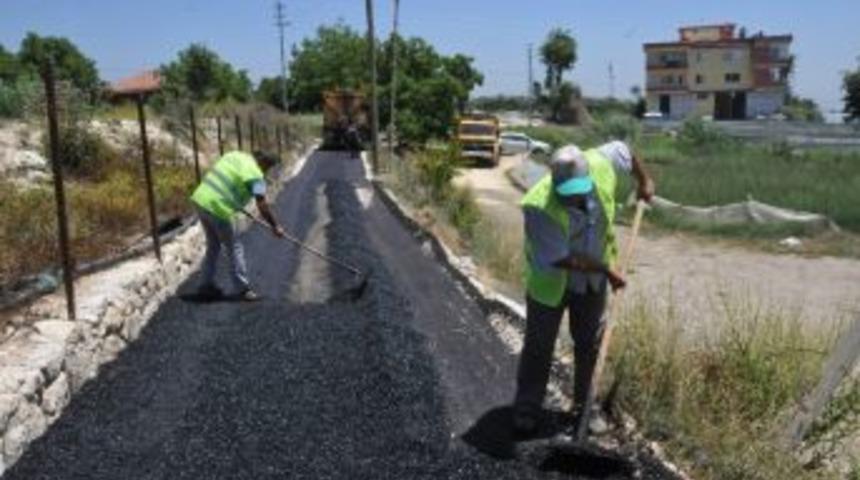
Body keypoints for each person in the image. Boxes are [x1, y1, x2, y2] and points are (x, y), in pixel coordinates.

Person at [512, 140, 654, 435]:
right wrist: (606, 269)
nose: (574, 199)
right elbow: (565, 259)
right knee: (540, 345)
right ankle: (526, 408)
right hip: (552, 280)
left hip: (592, 280)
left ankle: (583, 408)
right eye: (567, 195)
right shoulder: (537, 207)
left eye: (579, 192)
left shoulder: (601, 164)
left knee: (589, 344)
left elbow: (626, 150)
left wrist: (644, 180)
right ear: (554, 181)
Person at [190, 150, 286, 301]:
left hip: (200, 200)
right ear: (264, 163)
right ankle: (242, 289)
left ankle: (205, 285)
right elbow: (262, 205)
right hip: (218, 207)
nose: (267, 170)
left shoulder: (234, 155)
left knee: (213, 245)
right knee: (234, 247)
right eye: (268, 167)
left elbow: (228, 181)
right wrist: (275, 226)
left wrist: (236, 201)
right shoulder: (256, 176)